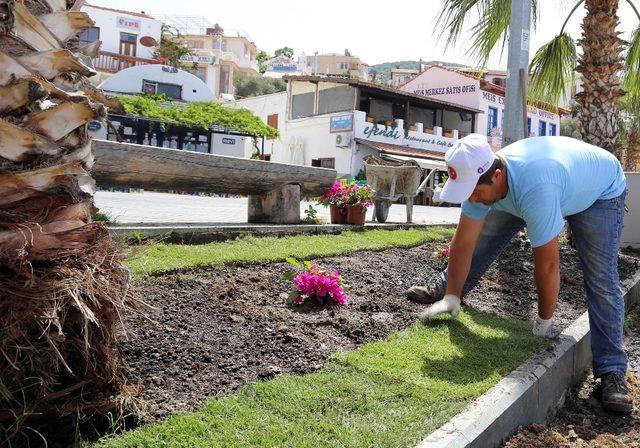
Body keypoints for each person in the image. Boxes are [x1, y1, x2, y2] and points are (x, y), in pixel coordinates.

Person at [406, 134, 633, 413]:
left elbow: (548, 265)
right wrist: (452, 295)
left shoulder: (536, 188)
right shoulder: (483, 181)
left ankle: (612, 372)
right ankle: (448, 291)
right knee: (482, 238)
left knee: (601, 279)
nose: (472, 199)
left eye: (474, 191)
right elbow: (464, 243)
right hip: (546, 183)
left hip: (599, 192)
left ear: (497, 175)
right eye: (467, 192)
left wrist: (544, 323)